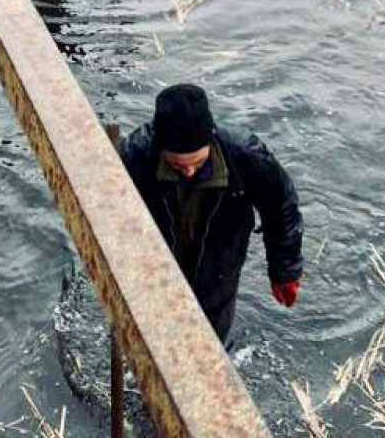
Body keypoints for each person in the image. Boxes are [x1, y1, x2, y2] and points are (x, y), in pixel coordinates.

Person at [118, 84, 304, 343]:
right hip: (158, 252)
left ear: (211, 139)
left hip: (220, 256)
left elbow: (281, 208)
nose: (190, 172)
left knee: (211, 330)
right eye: (177, 165)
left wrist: (285, 270)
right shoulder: (134, 155)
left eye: (198, 162)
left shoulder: (247, 157)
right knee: (153, 325)